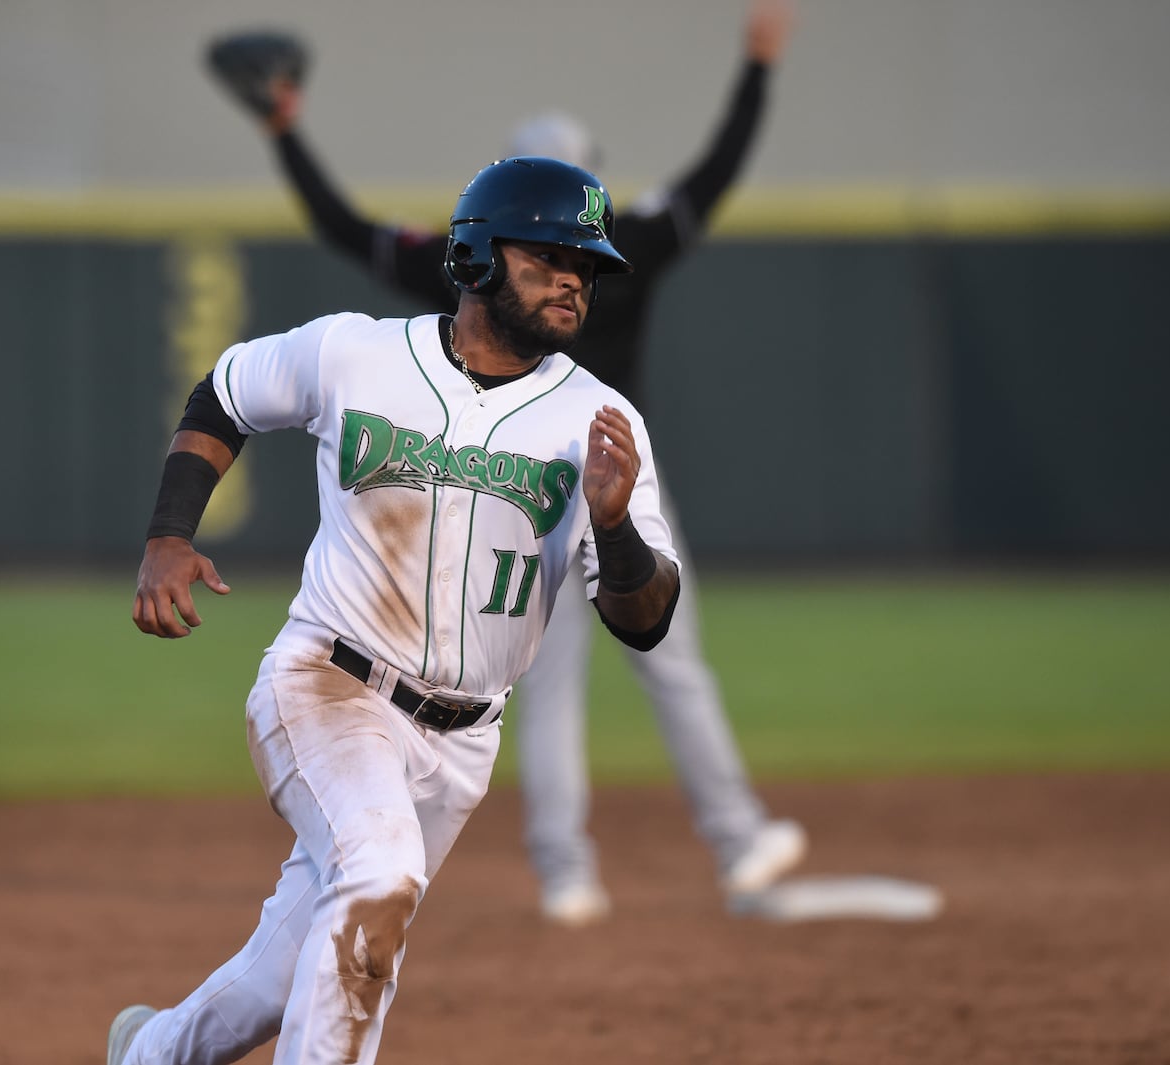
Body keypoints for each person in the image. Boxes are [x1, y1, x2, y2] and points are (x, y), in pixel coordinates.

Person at [219, 0, 805, 926]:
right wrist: (759, 65)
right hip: (595, 478)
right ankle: (734, 837)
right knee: (673, 665)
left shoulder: (468, 270)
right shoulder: (631, 247)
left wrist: (287, 131)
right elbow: (717, 172)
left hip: (522, 493)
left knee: (553, 686)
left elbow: (343, 225)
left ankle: (567, 870)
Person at [109, 156, 683, 1065]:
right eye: (548, 256)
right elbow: (227, 391)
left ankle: (148, 1055)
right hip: (329, 684)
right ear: (477, 258)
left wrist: (613, 528)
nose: (574, 277)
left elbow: (645, 616)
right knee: (381, 874)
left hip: (460, 745)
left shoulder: (601, 419)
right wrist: (169, 533)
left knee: (284, 971)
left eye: (588, 264)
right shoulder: (358, 352)